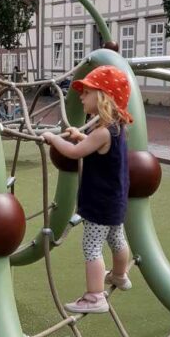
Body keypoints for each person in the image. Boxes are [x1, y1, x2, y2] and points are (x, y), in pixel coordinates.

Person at [43, 65, 132, 315]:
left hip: (99, 203)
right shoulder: (115, 130)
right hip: (115, 202)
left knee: (92, 247)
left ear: (102, 97)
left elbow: (73, 153)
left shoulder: (102, 132)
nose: (81, 97)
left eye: (86, 92)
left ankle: (95, 296)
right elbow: (94, 148)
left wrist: (53, 138)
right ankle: (120, 275)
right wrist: (79, 135)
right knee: (117, 239)